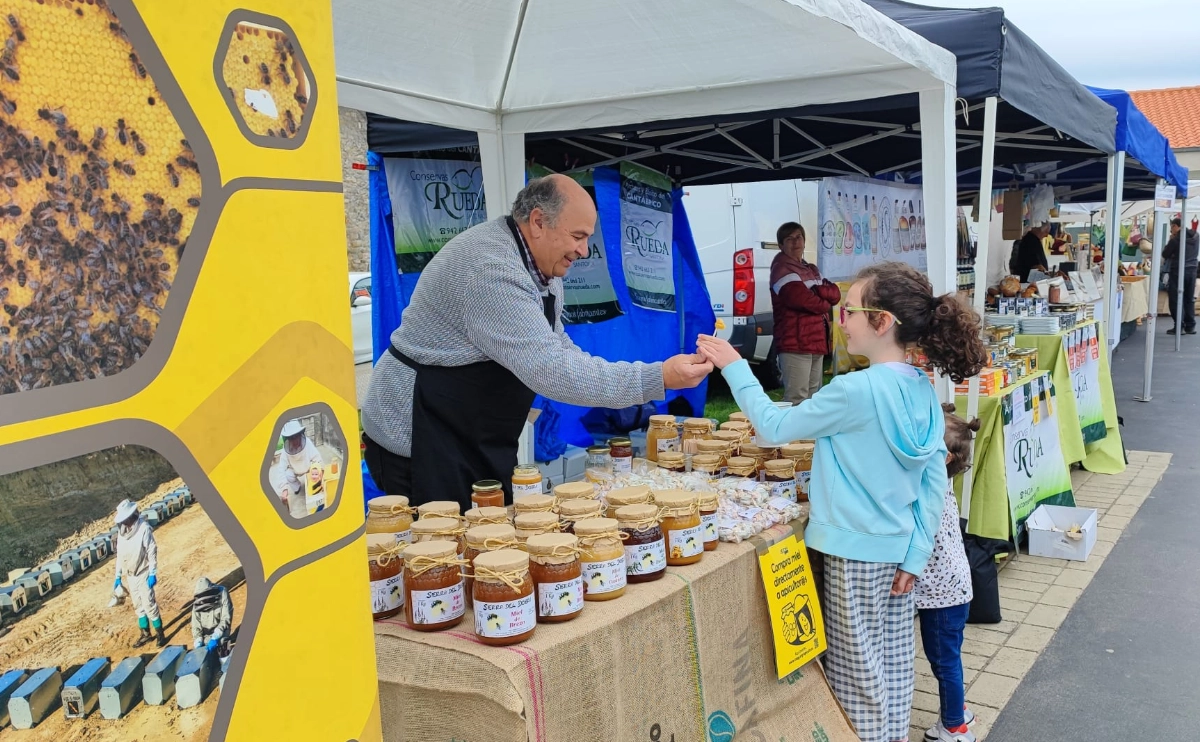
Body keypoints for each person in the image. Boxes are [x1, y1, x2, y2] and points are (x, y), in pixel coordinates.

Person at [697, 262, 986, 742]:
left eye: (849, 310)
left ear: (881, 322)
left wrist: (733, 365)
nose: (840, 318)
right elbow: (934, 485)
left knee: (855, 683)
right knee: (892, 673)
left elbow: (772, 427)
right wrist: (916, 554)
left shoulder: (855, 389)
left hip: (853, 557)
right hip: (898, 555)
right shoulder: (921, 387)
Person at [362, 174, 712, 510]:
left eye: (588, 237)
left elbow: (558, 346)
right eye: (578, 236)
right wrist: (657, 377)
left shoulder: (541, 267)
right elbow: (553, 370)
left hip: (467, 431)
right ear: (538, 222)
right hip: (419, 434)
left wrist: (655, 376)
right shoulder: (492, 270)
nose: (584, 250)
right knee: (439, 551)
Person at [916, 405, 981, 742]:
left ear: (943, 457)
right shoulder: (941, 483)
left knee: (943, 662)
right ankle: (960, 710)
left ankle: (954, 726)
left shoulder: (928, 491)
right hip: (955, 589)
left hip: (941, 597)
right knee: (951, 657)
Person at [770, 221, 841, 403]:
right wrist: (823, 300)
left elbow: (835, 293)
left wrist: (818, 292)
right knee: (797, 397)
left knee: (814, 397)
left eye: (799, 237)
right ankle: (794, 432)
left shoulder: (811, 269)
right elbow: (802, 300)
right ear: (781, 245)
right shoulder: (781, 269)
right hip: (795, 343)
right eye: (789, 239)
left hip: (816, 342)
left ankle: (811, 433)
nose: (795, 242)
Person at [112, 499, 165, 648]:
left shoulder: (144, 528)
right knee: (138, 605)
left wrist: (153, 572)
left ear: (131, 516)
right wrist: (118, 576)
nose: (124, 522)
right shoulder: (121, 534)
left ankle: (160, 633)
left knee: (149, 604)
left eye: (126, 519)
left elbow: (151, 550)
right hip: (130, 575)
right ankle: (145, 634)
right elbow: (120, 556)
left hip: (143, 573)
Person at [269, 419, 325, 519]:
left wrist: (321, 471)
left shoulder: (307, 442)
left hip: (308, 467)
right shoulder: (285, 451)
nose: (295, 440)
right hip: (294, 470)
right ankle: (297, 487)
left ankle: (311, 482)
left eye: (296, 436)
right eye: (292, 438)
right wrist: (284, 490)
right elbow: (281, 469)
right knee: (288, 475)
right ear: (288, 439)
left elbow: (317, 457)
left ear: (300, 435)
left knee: (315, 469)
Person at [1163, 217, 1197, 336]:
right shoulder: (1196, 236)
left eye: (1172, 227)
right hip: (1192, 269)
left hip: (1178, 270)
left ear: (1175, 226)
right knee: (1189, 298)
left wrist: (1170, 241)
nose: (1171, 230)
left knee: (1175, 299)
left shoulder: (1175, 240)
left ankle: (1179, 326)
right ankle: (1190, 325)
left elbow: (1165, 253)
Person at [191, 576, 233, 657]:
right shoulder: (197, 602)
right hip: (205, 637)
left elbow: (226, 617)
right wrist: (198, 642)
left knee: (224, 656)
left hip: (221, 633)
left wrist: (215, 637)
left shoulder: (222, 592)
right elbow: (196, 625)